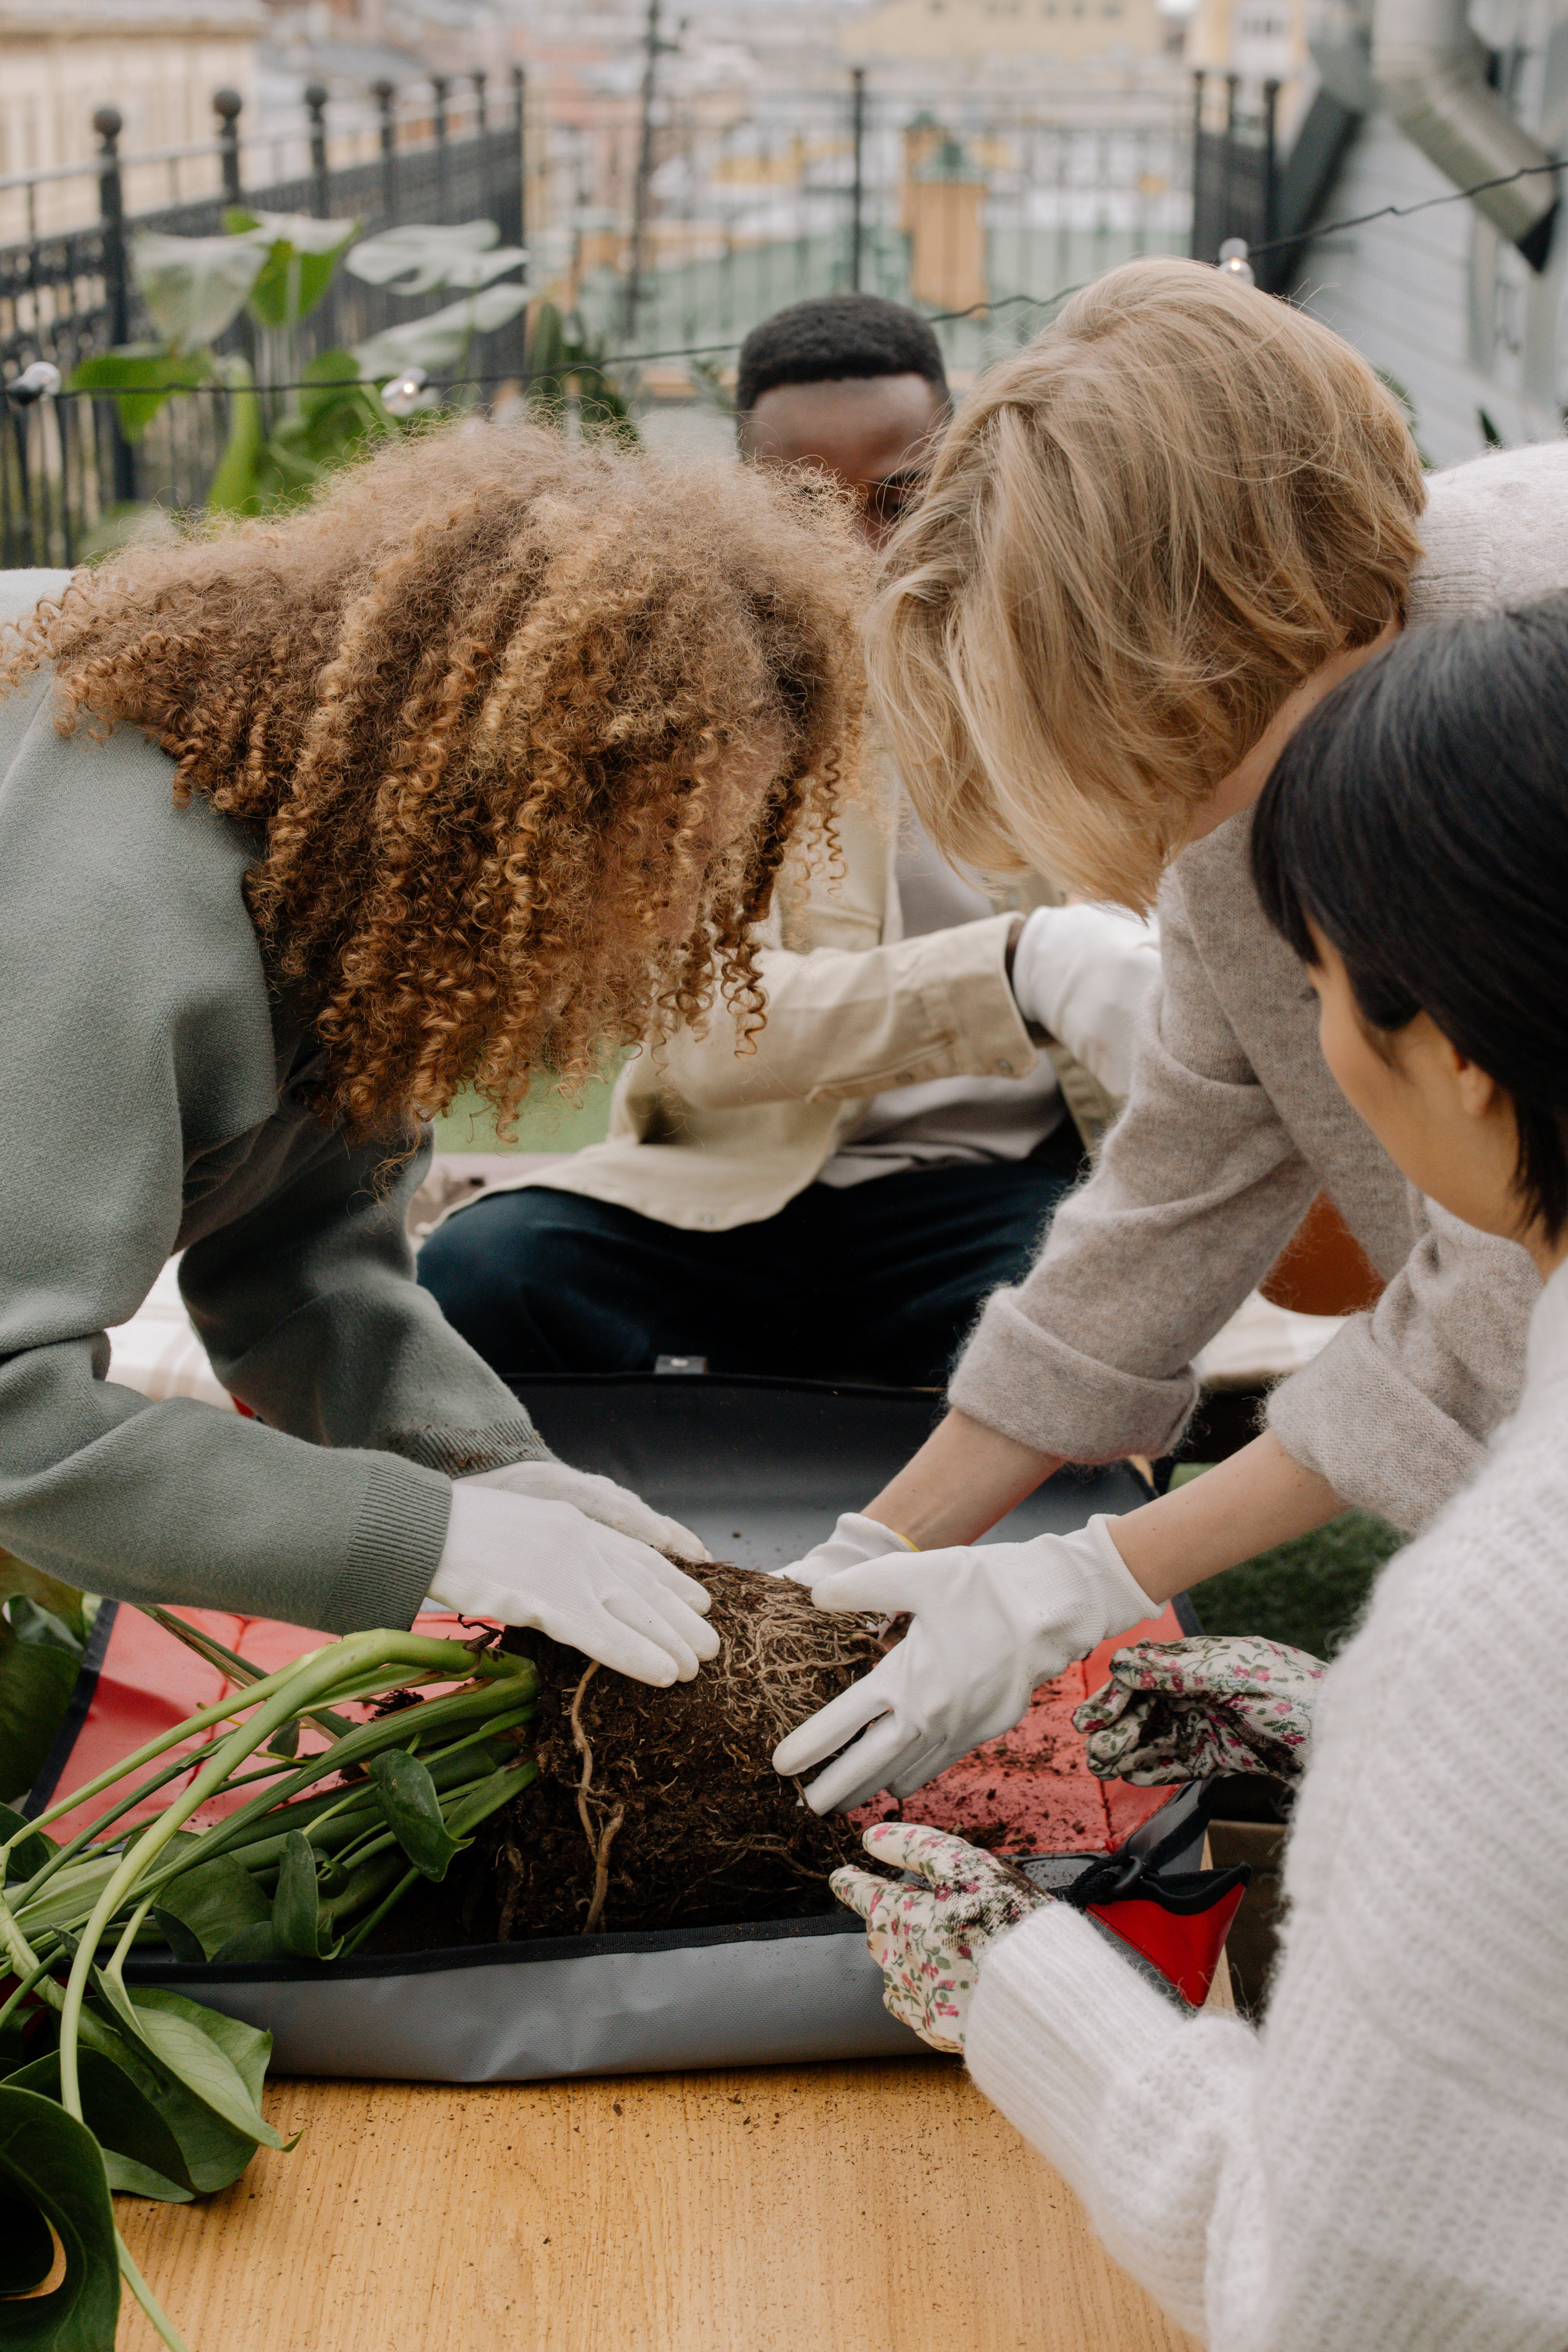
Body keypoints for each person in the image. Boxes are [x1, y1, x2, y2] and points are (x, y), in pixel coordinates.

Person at [833, 595, 1568, 2352]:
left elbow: (1342, 2300)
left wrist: (1016, 1982)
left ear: (1454, 1055)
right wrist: (966, 1552)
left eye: (1315, 986)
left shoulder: (1493, 1633)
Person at [772, 257, 1568, 1812]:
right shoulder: (1265, 735)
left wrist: (1094, 1574)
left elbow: (1502, 1287)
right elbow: (1177, 1184)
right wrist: (879, 1550)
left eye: (1158, 763)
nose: (1155, 835)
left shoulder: (1515, 710)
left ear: (1240, 626)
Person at [0, 423, 862, 1678]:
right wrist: (436, 1540)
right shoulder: (128, 891)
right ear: (523, 784)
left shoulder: (352, 879)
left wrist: (498, 1474)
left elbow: (302, 1270)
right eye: (666, 843)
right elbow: (17, 1419)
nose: (686, 909)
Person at [418, 293, 1158, 1387]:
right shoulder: (684, 706)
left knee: (1080, 1298)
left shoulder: (1061, 683)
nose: (864, 544)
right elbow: (721, 1033)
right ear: (744, 500)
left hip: (991, 1196)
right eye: (809, 504)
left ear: (956, 473)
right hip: (730, 1189)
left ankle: (920, 1504)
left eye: (900, 495)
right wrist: (1016, 972)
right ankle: (653, 1513)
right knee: (482, 1271)